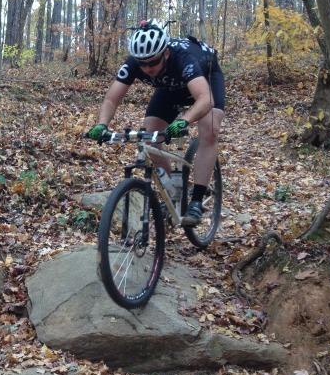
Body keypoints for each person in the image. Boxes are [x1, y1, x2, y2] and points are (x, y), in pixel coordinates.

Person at [86, 19, 225, 227]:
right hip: (170, 88)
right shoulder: (134, 62)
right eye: (143, 63)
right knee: (149, 137)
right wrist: (102, 124)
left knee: (209, 130)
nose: (147, 68)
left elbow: (205, 99)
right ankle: (174, 195)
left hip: (205, 79)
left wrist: (184, 121)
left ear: (165, 53)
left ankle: (196, 199)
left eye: (153, 62)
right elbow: (111, 98)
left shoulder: (182, 58)